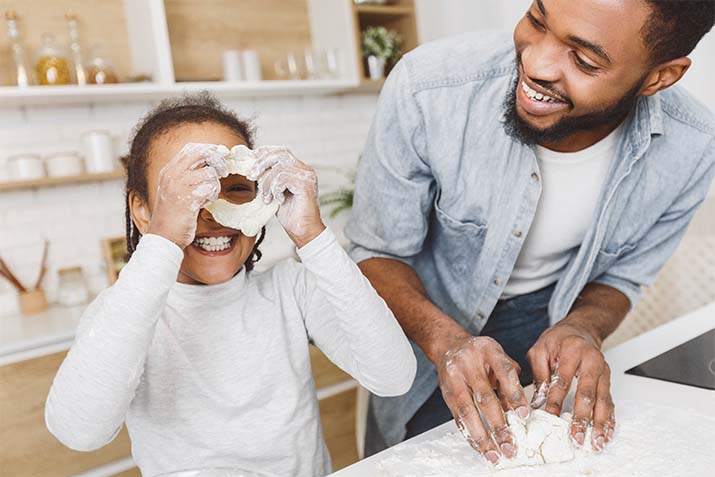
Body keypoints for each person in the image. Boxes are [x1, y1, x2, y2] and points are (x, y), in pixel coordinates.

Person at [345, 0, 715, 466]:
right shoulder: (428, 86)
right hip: (423, 324)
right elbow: (376, 252)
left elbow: (623, 278)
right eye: (538, 20)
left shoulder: (693, 148)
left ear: (659, 77)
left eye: (583, 60)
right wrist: (448, 343)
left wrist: (583, 326)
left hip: (550, 319)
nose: (536, 63)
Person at [45, 93, 416, 477]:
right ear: (141, 211)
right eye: (189, 192)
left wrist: (312, 235)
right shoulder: (124, 312)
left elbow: (393, 376)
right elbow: (79, 431)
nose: (215, 215)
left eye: (237, 188)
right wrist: (163, 242)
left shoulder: (290, 289)